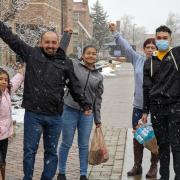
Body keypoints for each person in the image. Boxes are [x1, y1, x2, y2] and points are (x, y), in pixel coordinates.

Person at [0, 21, 92, 180]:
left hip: (55, 116)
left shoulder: (65, 62)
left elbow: (75, 86)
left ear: (58, 44)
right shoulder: (31, 54)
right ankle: (27, 177)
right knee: (29, 151)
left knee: (51, 151)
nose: (50, 45)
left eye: (54, 43)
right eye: (47, 42)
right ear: (41, 43)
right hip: (33, 114)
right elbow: (11, 39)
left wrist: (85, 104)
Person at [109, 22, 158, 178]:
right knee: (138, 136)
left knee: (155, 138)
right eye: (148, 47)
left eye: (153, 47)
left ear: (157, 49)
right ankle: (137, 166)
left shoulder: (163, 63)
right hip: (138, 107)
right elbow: (126, 48)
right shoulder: (137, 59)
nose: (150, 49)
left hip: (156, 108)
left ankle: (153, 167)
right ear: (144, 49)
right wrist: (116, 33)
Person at [57, 45, 103, 180]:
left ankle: (83, 174)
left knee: (83, 145)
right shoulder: (74, 65)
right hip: (69, 109)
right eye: (88, 53)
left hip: (87, 114)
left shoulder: (99, 76)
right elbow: (60, 57)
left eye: (94, 53)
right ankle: (61, 172)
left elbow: (98, 100)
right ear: (82, 55)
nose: (91, 56)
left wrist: (98, 119)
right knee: (66, 142)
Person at [142, 25, 180, 180]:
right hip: (157, 109)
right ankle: (164, 176)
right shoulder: (150, 62)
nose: (162, 40)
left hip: (175, 107)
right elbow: (146, 88)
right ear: (155, 39)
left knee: (177, 146)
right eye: (159, 38)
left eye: (165, 38)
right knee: (162, 146)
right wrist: (145, 111)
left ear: (170, 39)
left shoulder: (177, 55)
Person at [0, 67, 24, 180]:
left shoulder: (7, 92)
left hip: (4, 135)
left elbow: (16, 80)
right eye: (0, 79)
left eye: (5, 79)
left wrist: (24, 68)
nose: (3, 81)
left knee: (3, 160)